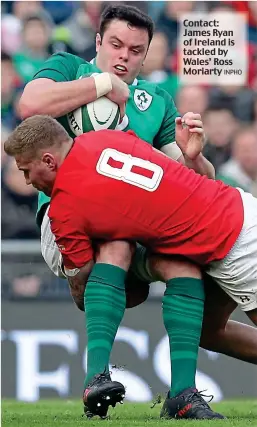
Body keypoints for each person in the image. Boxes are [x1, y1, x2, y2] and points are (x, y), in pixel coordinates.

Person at [5, 117, 257, 418]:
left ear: (48, 160)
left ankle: (101, 378)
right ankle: (182, 397)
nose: (28, 182)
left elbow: (83, 292)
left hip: (237, 246)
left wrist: (114, 281)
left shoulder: (65, 209)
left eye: (25, 170)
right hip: (236, 210)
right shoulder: (109, 138)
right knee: (207, 330)